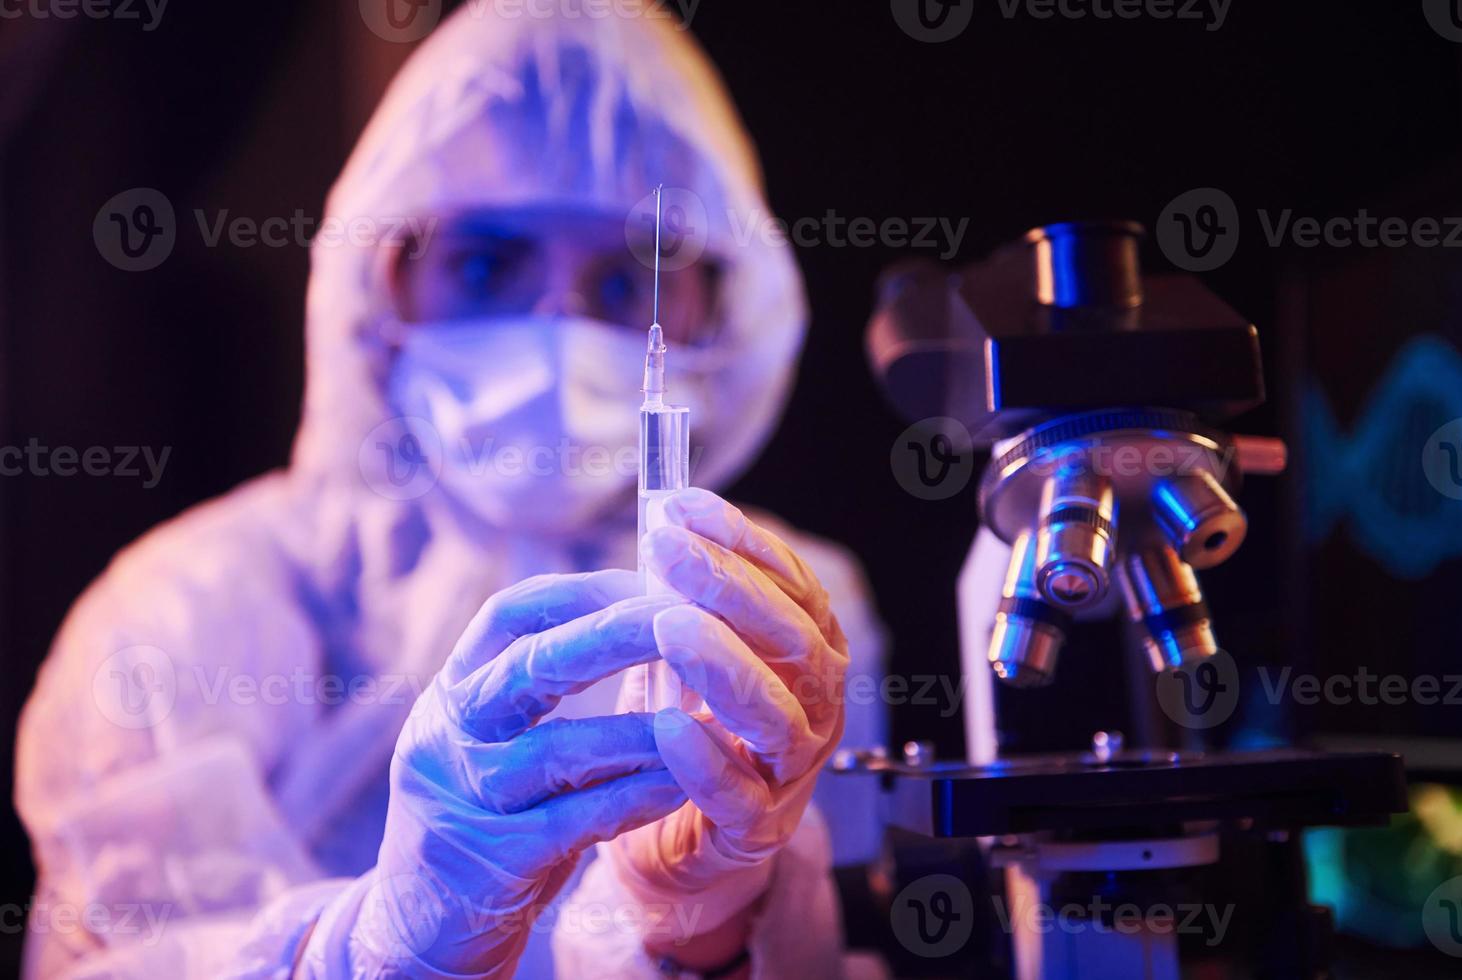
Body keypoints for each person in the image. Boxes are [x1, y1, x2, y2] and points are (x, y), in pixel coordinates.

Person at [13, 6, 886, 978]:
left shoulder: (775, 612)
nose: (554, 333)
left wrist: (705, 917)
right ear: (380, 282)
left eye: (616, 284)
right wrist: (389, 940)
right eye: (488, 263)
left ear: (722, 310)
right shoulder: (184, 604)